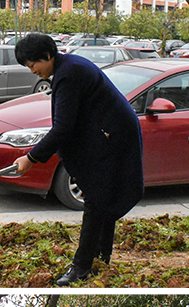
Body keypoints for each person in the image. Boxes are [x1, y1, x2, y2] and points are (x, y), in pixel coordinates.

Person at [12, 33, 144, 286]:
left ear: (47, 56)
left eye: (33, 65)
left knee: (96, 200)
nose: (32, 71)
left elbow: (63, 128)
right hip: (108, 132)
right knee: (100, 200)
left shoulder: (69, 74)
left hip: (113, 136)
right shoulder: (67, 67)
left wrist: (31, 157)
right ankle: (100, 255)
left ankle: (82, 266)